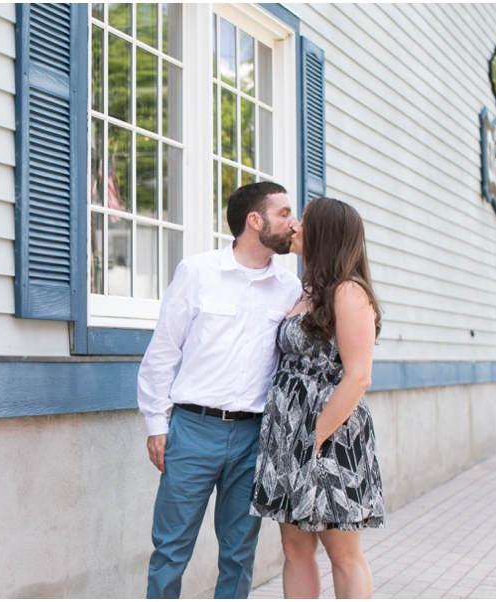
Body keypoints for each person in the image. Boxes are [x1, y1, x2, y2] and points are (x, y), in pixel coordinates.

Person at [138, 182, 302, 599]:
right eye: (284, 214)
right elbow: (162, 353)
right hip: (193, 431)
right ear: (255, 220)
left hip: (254, 437)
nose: (294, 223)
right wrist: (157, 424)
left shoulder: (290, 289)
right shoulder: (197, 272)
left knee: (239, 554)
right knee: (171, 548)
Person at [250, 196, 385, 599]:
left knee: (343, 553)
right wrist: (290, 438)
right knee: (294, 550)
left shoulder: (348, 292)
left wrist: (315, 437)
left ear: (324, 234)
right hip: (288, 433)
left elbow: (359, 376)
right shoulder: (306, 291)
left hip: (328, 435)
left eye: (304, 222)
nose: (295, 227)